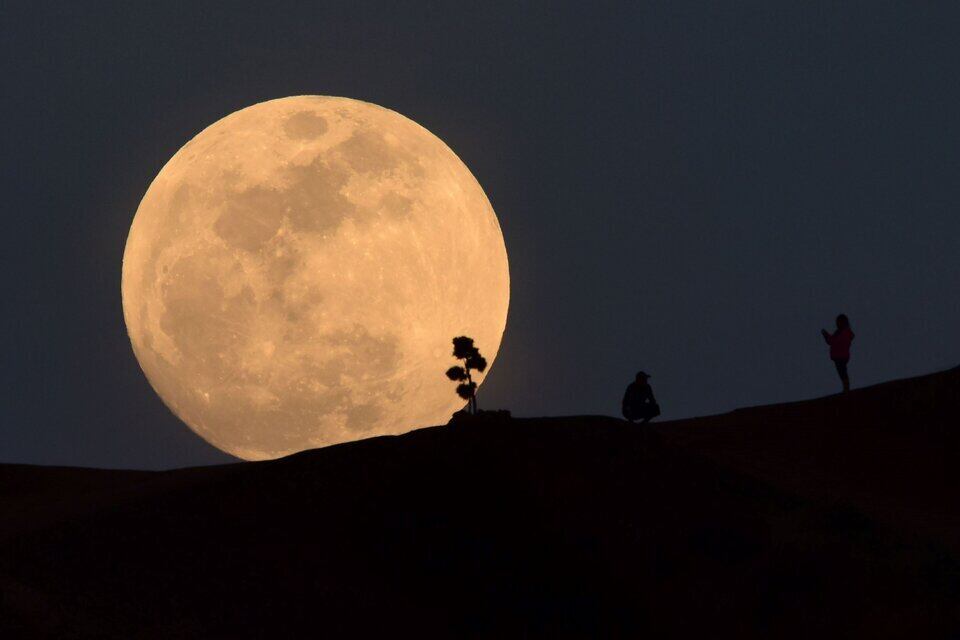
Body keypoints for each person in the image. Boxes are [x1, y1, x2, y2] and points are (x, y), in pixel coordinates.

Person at [821, 314, 855, 393]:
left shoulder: (844, 332)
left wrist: (827, 336)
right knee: (841, 371)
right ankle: (846, 387)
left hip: (841, 355)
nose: (837, 324)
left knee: (842, 371)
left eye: (839, 322)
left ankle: (846, 388)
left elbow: (834, 341)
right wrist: (826, 335)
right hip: (838, 356)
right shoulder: (839, 332)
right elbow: (831, 341)